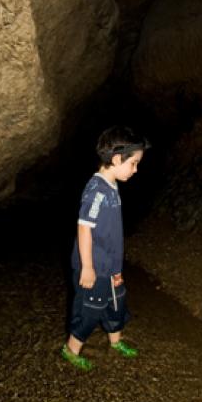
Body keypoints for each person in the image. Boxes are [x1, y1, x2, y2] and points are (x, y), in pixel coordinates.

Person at [61, 126, 150, 371]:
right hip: (93, 267)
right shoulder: (96, 190)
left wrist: (115, 266)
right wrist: (87, 268)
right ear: (117, 159)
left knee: (116, 302)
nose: (135, 169)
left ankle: (115, 341)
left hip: (110, 265)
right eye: (133, 163)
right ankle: (71, 349)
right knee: (90, 308)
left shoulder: (112, 186)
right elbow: (84, 229)